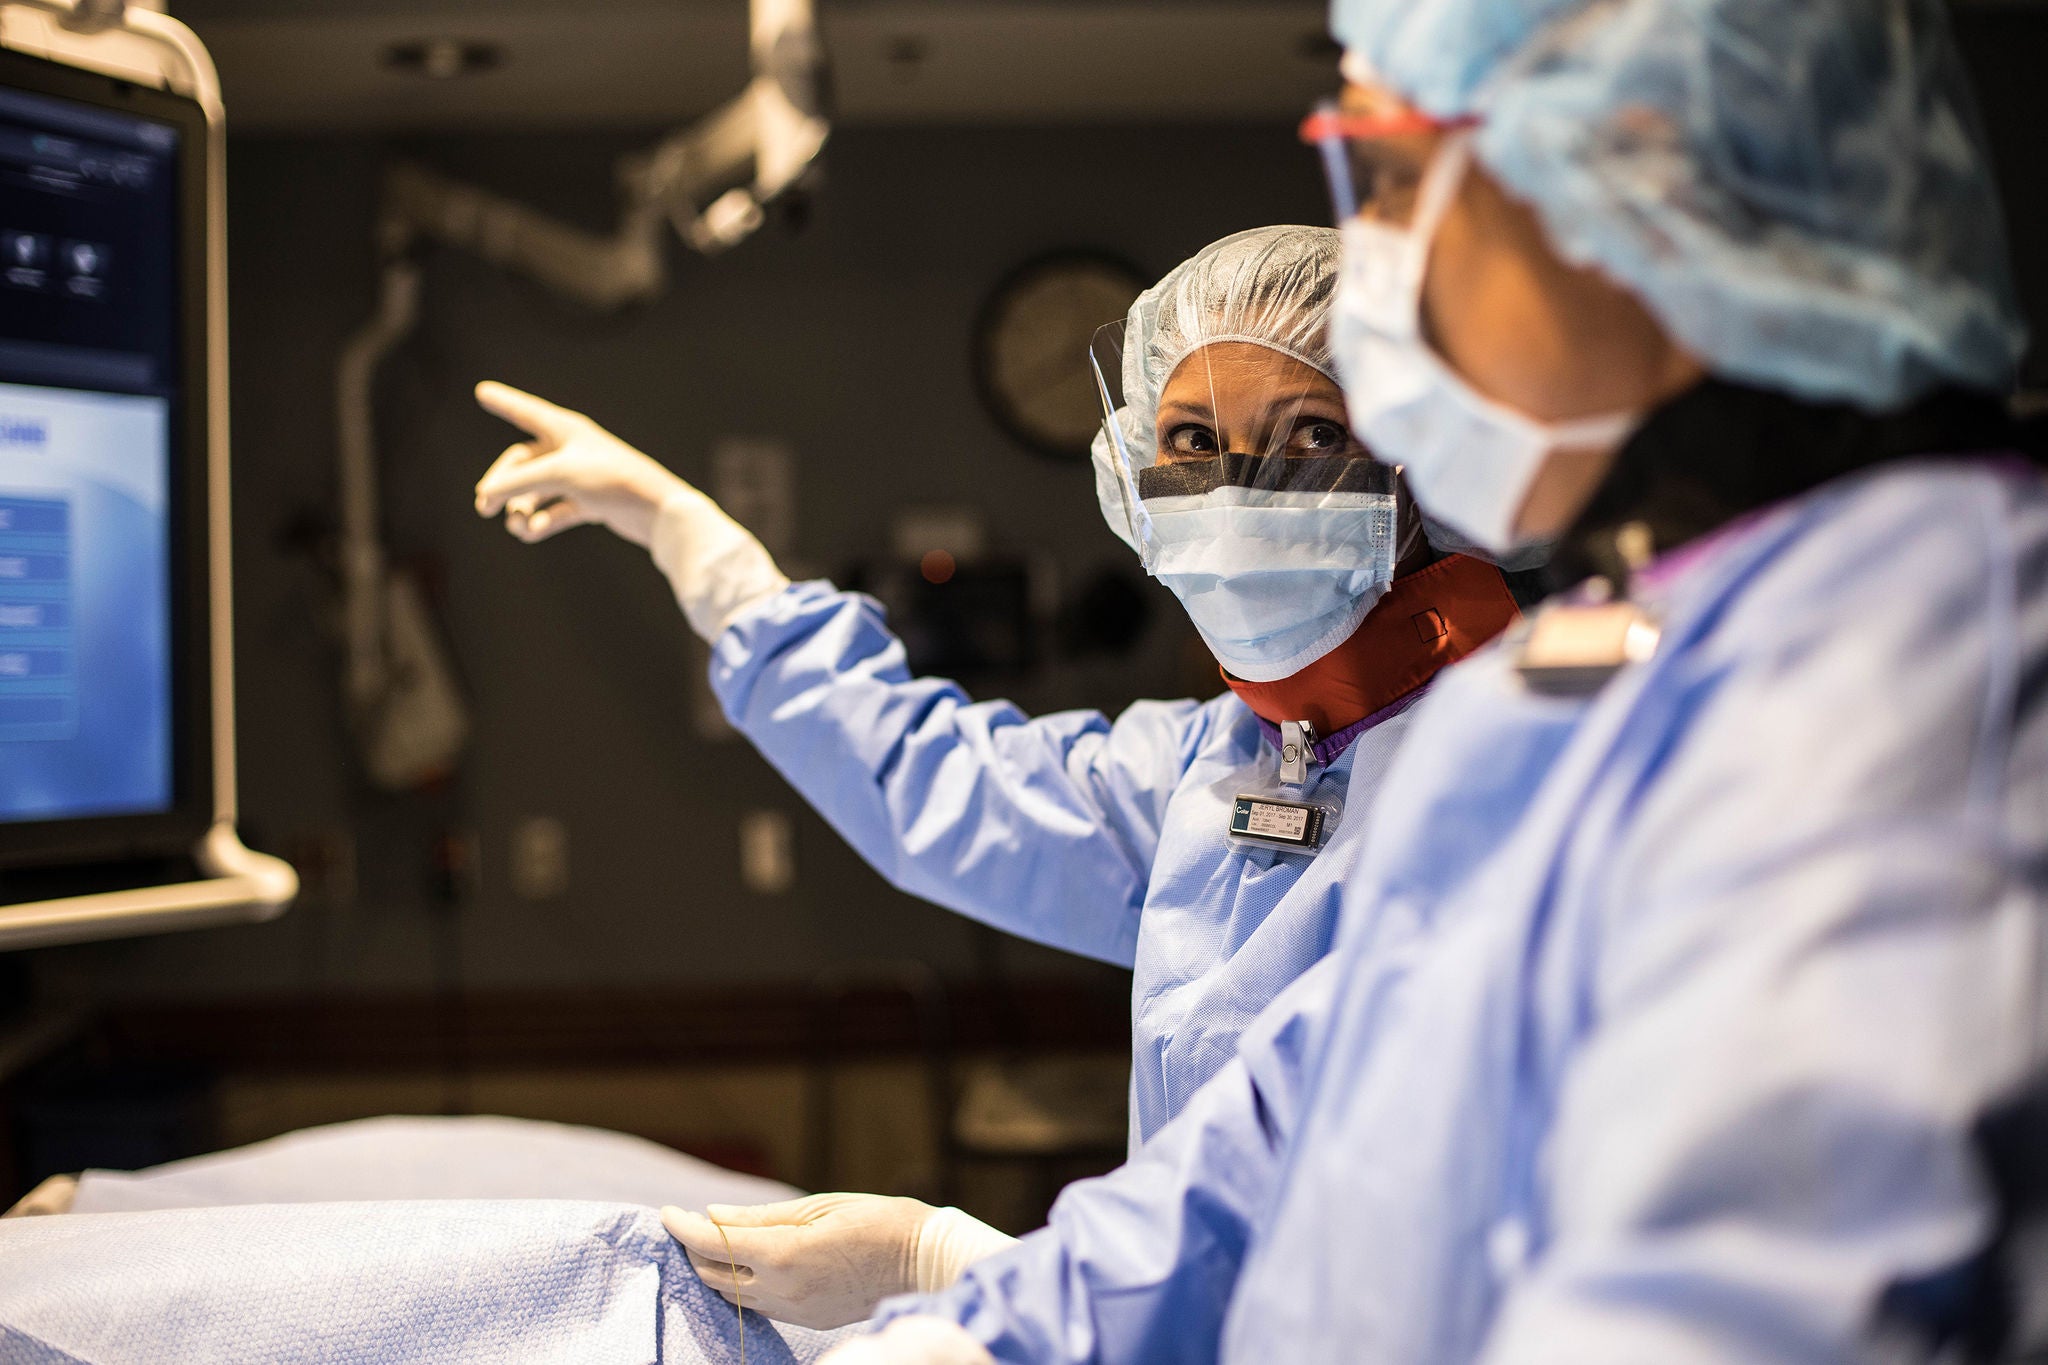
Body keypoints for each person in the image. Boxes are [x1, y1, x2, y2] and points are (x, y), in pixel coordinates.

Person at [837, 0, 2048, 1360]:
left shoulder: (1905, 687)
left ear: (1629, 182)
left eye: (1396, 176)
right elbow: (1333, 1089)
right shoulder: (1619, 659)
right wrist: (1005, 1314)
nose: (1376, 273)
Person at [471, 225, 1522, 1329]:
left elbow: (1343, 1198)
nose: (1234, 494)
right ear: (1133, 475)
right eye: (1189, 439)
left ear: (1422, 462)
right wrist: (693, 545)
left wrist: (960, 1271)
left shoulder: (1507, 781)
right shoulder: (1213, 771)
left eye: (1308, 433)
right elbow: (940, 783)